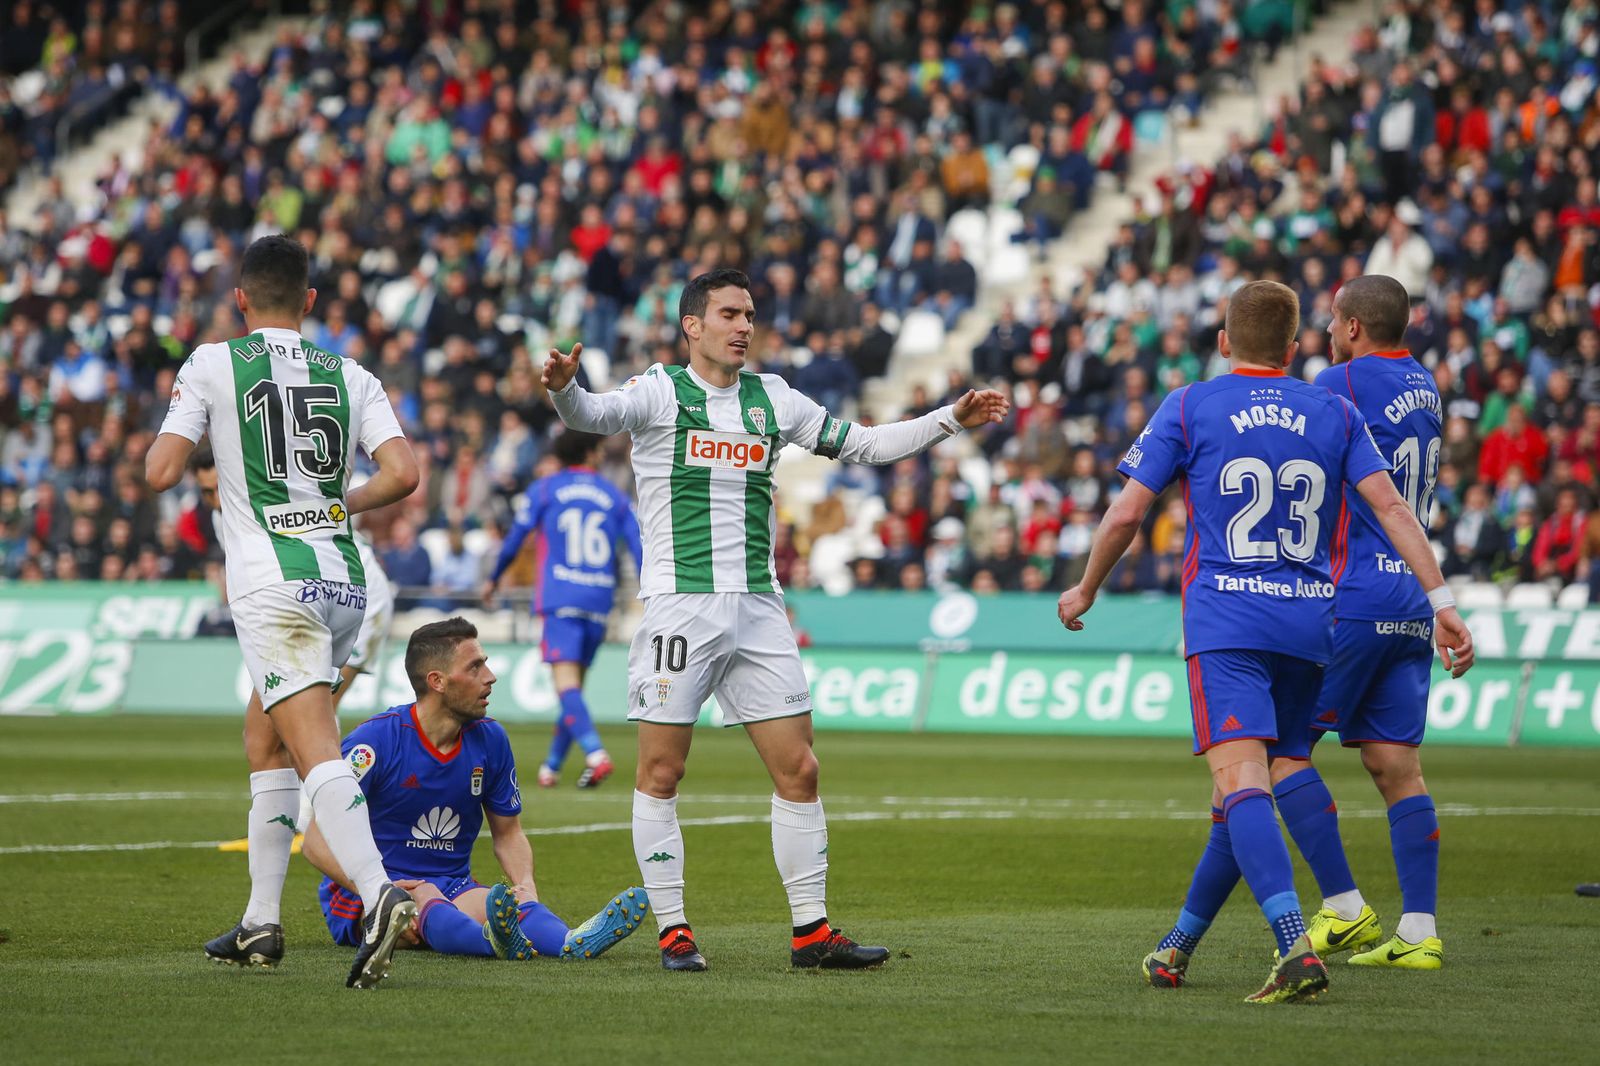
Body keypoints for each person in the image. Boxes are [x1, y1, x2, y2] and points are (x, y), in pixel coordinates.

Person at [542, 267, 1008, 972]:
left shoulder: (775, 398)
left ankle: (810, 932)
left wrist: (949, 419)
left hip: (760, 608)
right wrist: (563, 388)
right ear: (692, 325)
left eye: (750, 315)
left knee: (801, 769)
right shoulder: (660, 390)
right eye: (729, 314)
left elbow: (864, 443)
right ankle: (673, 930)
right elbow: (592, 416)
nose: (744, 327)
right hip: (682, 608)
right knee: (661, 771)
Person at [1055, 280, 1473, 1003]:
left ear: (1224, 342)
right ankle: (1179, 944)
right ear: (1292, 347)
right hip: (1311, 622)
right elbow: (1394, 508)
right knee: (1250, 780)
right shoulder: (1333, 409)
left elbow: (1126, 513)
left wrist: (1086, 586)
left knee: (1243, 779)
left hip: (1229, 621)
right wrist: (1442, 602)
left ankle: (1296, 944)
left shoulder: (1190, 403)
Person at [145, 234, 422, 988]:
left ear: (240, 300)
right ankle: (261, 923)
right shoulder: (352, 374)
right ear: (310, 301)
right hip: (344, 584)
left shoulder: (213, 363)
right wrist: (335, 503)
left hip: (272, 585)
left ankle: (380, 893)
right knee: (264, 740)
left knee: (314, 751)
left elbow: (161, 470)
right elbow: (403, 474)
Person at [1270, 275, 1450, 969]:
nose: (1325, 331)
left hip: (1355, 594)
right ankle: (1419, 932)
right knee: (1395, 764)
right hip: (1412, 598)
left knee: (1281, 753)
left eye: (1332, 320)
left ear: (1352, 328)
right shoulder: (1425, 385)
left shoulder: (1339, 383)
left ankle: (1344, 908)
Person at [305, 618, 649, 962]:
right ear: (437, 681)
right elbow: (315, 841)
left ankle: (571, 941)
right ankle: (491, 944)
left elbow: (508, 833)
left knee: (506, 904)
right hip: (364, 896)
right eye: (475, 667)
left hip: (452, 885)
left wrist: (526, 884)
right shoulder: (375, 742)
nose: (490, 676)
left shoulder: (490, 739)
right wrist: (379, 891)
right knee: (424, 894)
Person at [483, 429, 642, 790]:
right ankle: (551, 766)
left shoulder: (545, 490)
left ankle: (595, 754)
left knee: (566, 686)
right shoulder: (614, 496)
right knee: (574, 689)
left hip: (560, 596)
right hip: (599, 599)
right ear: (590, 452)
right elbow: (637, 545)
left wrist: (493, 578)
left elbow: (515, 538)